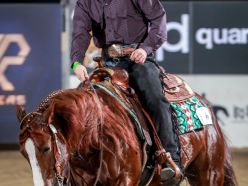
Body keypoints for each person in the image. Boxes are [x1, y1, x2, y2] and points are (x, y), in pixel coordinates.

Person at [70, 0, 182, 182]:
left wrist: (145, 49)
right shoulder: (85, 2)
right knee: (80, 104)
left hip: (138, 60)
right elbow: (80, 32)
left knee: (155, 99)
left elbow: (158, 19)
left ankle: (170, 159)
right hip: (107, 63)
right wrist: (76, 62)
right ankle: (76, 163)